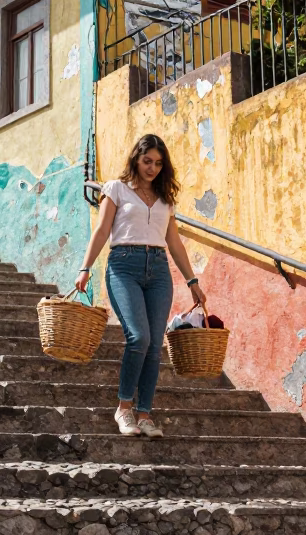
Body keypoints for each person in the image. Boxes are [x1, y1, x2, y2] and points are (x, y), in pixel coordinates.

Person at [75, 134, 207, 437]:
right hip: (124, 266)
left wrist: (192, 281)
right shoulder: (116, 189)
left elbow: (174, 243)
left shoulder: (165, 199)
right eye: (147, 161)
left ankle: (145, 414)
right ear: (136, 158)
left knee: (155, 345)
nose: (152, 168)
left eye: (158, 163)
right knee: (139, 337)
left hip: (158, 270)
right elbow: (101, 230)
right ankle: (124, 408)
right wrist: (85, 268)